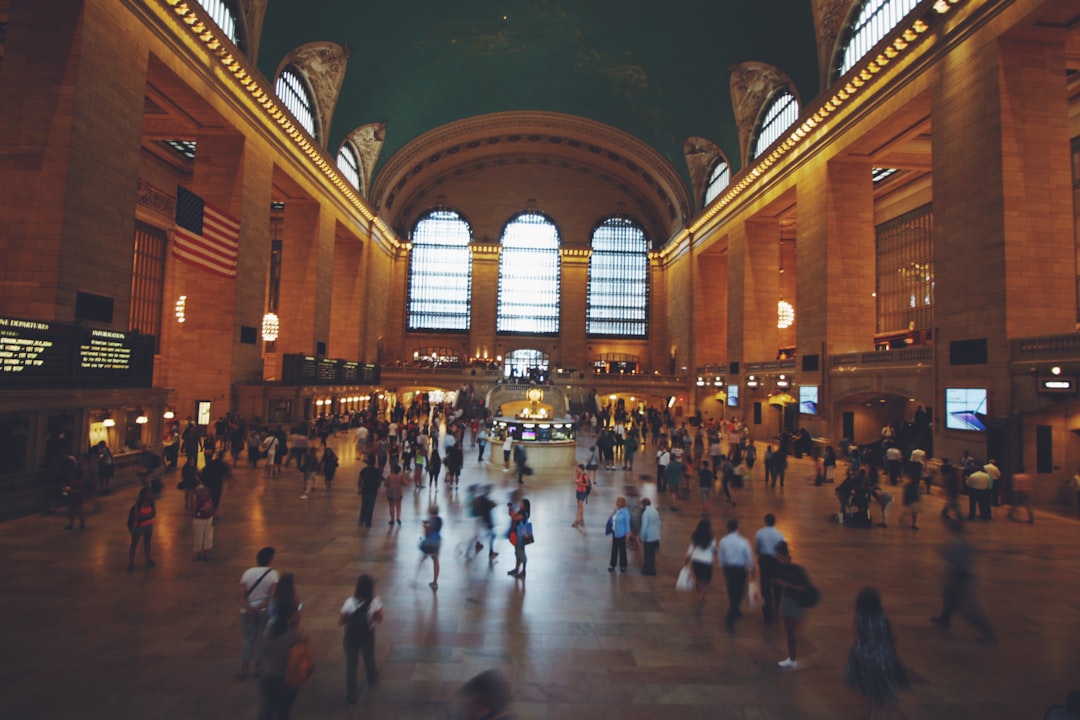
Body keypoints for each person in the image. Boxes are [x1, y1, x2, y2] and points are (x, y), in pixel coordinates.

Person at [845, 587, 909, 719]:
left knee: (865, 691)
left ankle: (865, 716)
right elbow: (893, 636)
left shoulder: (858, 617)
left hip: (863, 657)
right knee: (885, 692)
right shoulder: (884, 617)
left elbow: (855, 635)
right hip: (883, 656)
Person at [930, 520, 996, 644]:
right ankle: (945, 618)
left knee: (965, 609)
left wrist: (940, 550)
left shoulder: (956, 542)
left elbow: (951, 557)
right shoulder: (964, 541)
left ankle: (988, 633)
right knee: (949, 597)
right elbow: (973, 553)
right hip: (962, 574)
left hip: (959, 575)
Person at [258, 583, 304, 720]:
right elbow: (302, 655)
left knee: (266, 710)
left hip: (267, 677)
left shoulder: (267, 631)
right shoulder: (294, 635)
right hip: (285, 679)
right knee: (283, 713)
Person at [340, 574, 383, 706]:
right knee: (369, 656)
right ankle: (371, 675)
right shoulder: (375, 601)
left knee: (351, 665)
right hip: (367, 634)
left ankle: (351, 695)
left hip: (351, 636)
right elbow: (380, 619)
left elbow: (341, 620)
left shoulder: (349, 602)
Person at [238, 547, 279, 680]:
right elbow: (273, 596)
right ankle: (258, 668)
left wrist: (250, 609)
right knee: (261, 638)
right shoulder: (273, 574)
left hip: (246, 611)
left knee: (248, 639)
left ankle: (244, 669)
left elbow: (241, 595)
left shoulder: (247, 573)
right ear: (270, 559)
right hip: (263, 611)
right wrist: (260, 607)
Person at [772, 541, 815, 669]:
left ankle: (792, 658)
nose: (779, 560)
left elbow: (803, 587)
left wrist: (786, 584)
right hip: (787, 601)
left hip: (794, 602)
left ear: (787, 557)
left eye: (780, 557)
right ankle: (792, 657)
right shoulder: (781, 568)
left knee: (792, 632)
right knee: (789, 631)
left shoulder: (796, 570)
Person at [718, 518, 754, 633]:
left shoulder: (723, 540)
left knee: (731, 590)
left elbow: (721, 555)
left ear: (728, 528)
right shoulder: (744, 541)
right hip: (740, 570)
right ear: (738, 528)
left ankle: (735, 609)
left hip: (729, 569)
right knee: (740, 591)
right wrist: (752, 569)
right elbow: (749, 556)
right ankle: (731, 615)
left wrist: (722, 567)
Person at [754, 513, 785, 626]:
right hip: (776, 561)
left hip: (765, 560)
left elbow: (757, 548)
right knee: (777, 584)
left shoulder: (760, 533)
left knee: (765, 583)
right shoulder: (780, 534)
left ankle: (768, 607)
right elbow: (782, 549)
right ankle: (777, 606)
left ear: (765, 521)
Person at [685, 518, 717, 611]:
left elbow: (690, 550)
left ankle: (701, 597)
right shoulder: (711, 538)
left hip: (696, 561)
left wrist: (686, 562)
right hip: (707, 562)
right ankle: (700, 597)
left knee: (698, 580)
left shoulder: (695, 537)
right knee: (707, 582)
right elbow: (714, 550)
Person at [126, 487, 157, 572]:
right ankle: (131, 562)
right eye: (148, 493)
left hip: (148, 526)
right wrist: (148, 516)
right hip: (138, 527)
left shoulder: (151, 503)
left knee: (147, 542)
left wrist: (144, 517)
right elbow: (137, 517)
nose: (150, 495)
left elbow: (153, 513)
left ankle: (148, 558)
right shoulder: (138, 505)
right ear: (143, 495)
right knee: (134, 544)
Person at [357, 454, 383, 528]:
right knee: (370, 506)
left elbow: (360, 480)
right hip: (373, 490)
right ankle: (368, 521)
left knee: (364, 504)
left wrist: (359, 488)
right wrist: (377, 487)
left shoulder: (364, 470)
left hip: (365, 489)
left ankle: (362, 519)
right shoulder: (376, 470)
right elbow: (379, 480)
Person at [420, 503, 443, 590]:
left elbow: (427, 533)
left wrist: (425, 526)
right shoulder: (440, 519)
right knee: (436, 561)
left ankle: (417, 576)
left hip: (430, 542)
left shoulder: (429, 521)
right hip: (438, 541)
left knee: (423, 557)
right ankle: (435, 581)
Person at [507, 497, 530, 579]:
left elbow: (514, 517)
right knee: (517, 552)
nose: (520, 504)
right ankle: (517, 569)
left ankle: (523, 571)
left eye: (521, 503)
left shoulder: (524, 514)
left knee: (520, 553)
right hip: (518, 535)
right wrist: (510, 508)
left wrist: (512, 509)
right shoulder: (521, 512)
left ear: (524, 505)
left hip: (521, 535)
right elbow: (511, 515)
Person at [191, 484, 215, 560]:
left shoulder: (208, 498)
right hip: (199, 520)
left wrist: (213, 516)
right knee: (198, 536)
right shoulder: (197, 499)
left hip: (208, 518)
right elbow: (194, 510)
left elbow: (212, 507)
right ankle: (198, 553)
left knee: (208, 536)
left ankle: (206, 552)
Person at [607, 496, 630, 572]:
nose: (616, 504)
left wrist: (627, 534)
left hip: (621, 534)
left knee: (622, 550)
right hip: (615, 533)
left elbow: (627, 524)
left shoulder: (625, 513)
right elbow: (611, 519)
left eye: (617, 503)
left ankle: (623, 565)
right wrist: (613, 513)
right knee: (614, 549)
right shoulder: (616, 511)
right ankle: (612, 564)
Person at [62, 456, 86, 531]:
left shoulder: (78, 481)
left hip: (77, 497)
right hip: (73, 497)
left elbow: (78, 490)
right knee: (72, 511)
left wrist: (70, 490)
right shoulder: (74, 480)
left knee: (79, 511)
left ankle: (82, 524)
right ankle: (71, 524)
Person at [639, 498, 661, 575]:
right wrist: (658, 533)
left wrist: (642, 537)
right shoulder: (655, 511)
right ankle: (652, 568)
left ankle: (648, 569)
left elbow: (644, 526)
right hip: (655, 535)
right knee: (652, 553)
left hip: (648, 536)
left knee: (647, 553)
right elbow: (659, 523)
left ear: (644, 504)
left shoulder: (646, 513)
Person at [572, 464, 590, 528]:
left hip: (583, 492)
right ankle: (582, 519)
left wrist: (580, 484)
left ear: (582, 469)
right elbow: (574, 480)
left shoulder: (585, 475)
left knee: (580, 506)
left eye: (578, 468)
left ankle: (577, 520)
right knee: (580, 506)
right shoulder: (578, 474)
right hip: (578, 491)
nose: (577, 469)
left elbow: (587, 484)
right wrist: (575, 473)